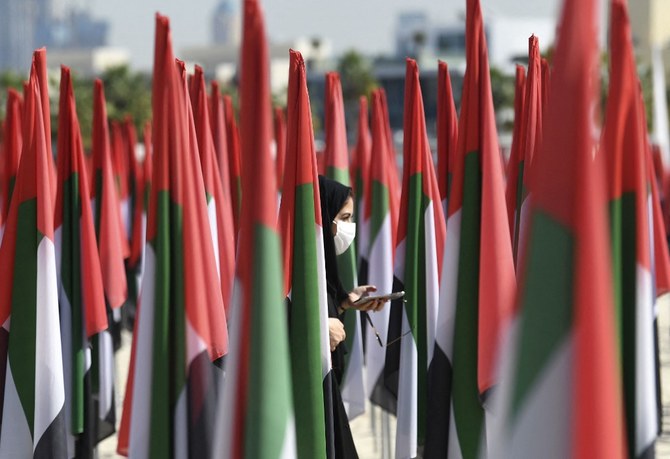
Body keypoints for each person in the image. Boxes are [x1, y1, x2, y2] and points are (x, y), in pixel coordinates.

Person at [318, 175, 387, 459]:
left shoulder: (321, 262)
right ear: (323, 216)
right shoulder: (287, 264)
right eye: (343, 218)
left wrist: (344, 303)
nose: (348, 227)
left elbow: (322, 301)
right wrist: (321, 328)